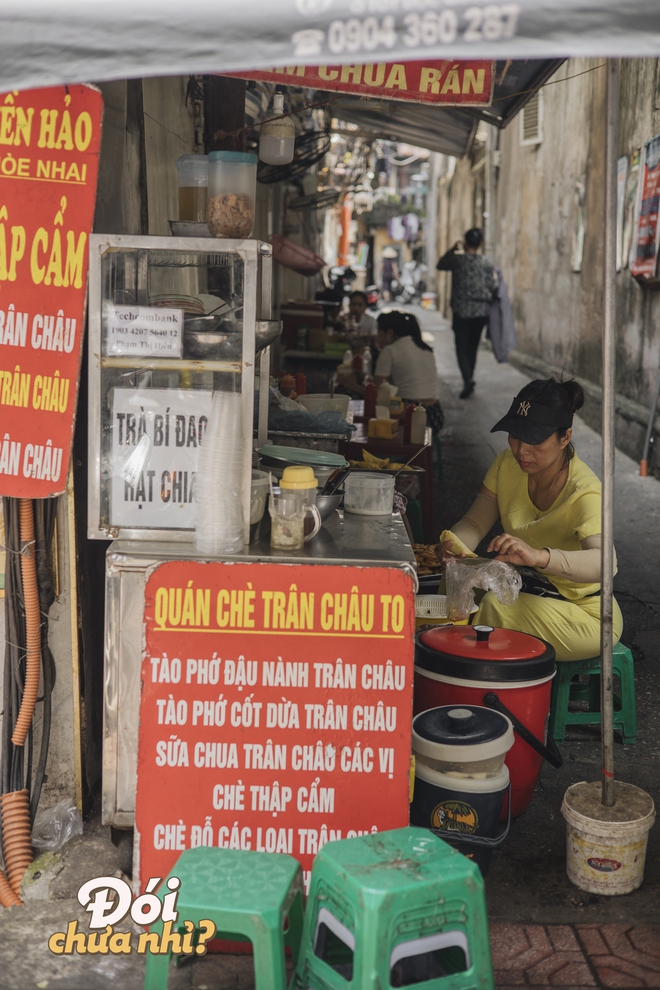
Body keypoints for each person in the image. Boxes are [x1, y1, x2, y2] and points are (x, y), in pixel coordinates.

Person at [439, 377, 622, 662]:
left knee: (494, 610)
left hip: (586, 613)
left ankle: (484, 698)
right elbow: (475, 522)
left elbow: (605, 563)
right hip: (532, 591)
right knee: (455, 581)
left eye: (535, 439)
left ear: (565, 437)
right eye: (515, 434)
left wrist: (540, 557)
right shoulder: (507, 465)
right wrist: (454, 544)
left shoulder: (584, 491)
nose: (521, 449)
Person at [437, 227, 498, 399]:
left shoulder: (458, 260)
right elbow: (494, 286)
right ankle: (469, 379)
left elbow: (440, 265)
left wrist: (453, 249)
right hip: (480, 312)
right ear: (480, 244)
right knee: (472, 347)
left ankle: (468, 379)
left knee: (461, 348)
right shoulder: (486, 262)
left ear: (465, 242)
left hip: (462, 311)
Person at [374, 311, 444, 434]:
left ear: (389, 332)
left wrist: (351, 384)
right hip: (435, 416)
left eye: (379, 332)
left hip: (411, 417)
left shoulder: (390, 350)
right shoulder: (424, 348)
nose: (377, 337)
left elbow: (377, 392)